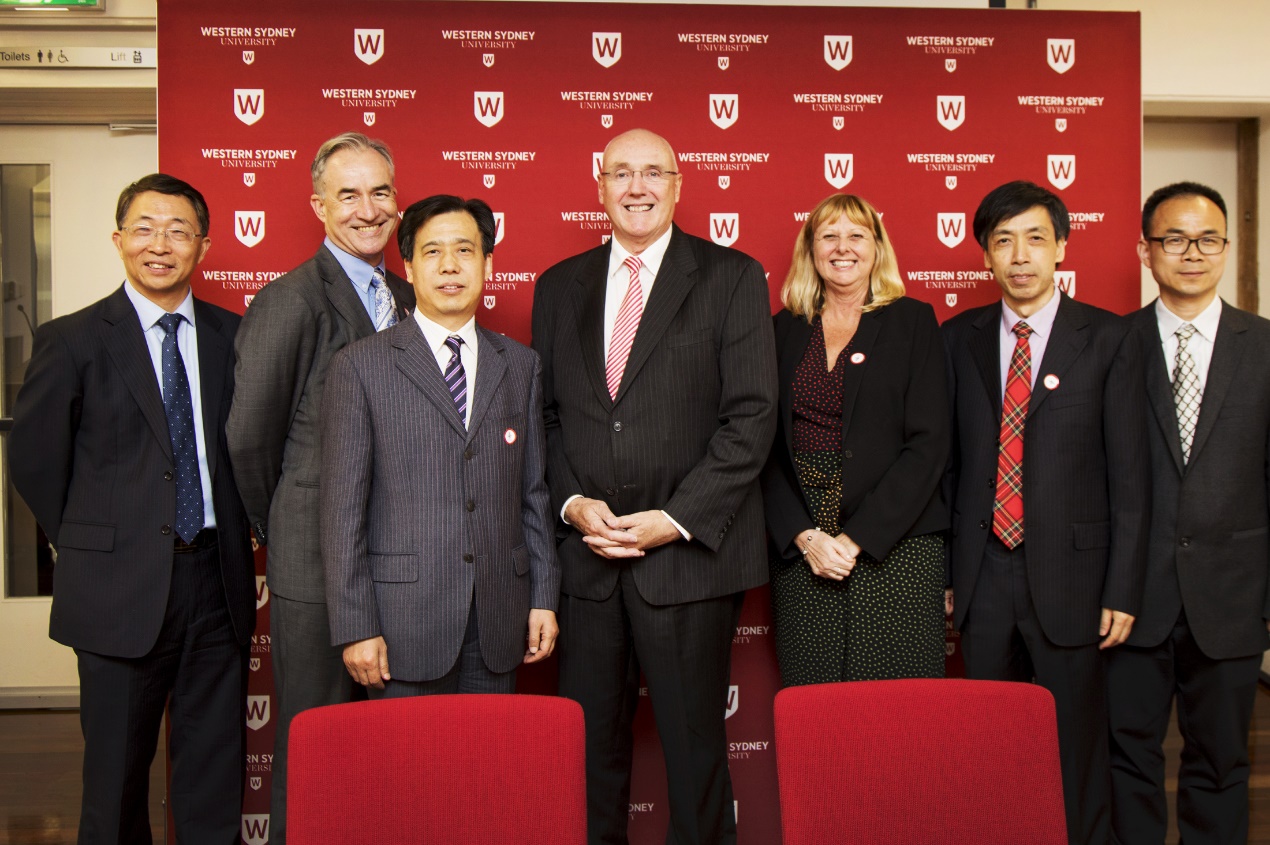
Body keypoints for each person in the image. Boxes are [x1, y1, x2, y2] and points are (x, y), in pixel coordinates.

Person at [531, 128, 777, 845]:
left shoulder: (732, 276)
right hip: (588, 564)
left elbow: (751, 417)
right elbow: (545, 416)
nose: (636, 187)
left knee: (696, 760)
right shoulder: (558, 285)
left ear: (678, 185)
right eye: (621, 173)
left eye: (652, 173)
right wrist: (574, 505)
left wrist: (673, 519)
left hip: (688, 563)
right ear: (599, 186)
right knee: (587, 761)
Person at [9, 173, 255, 843]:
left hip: (217, 581)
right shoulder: (73, 339)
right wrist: (92, 543)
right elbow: (35, 462)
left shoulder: (233, 336)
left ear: (203, 246)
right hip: (115, 587)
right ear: (118, 240)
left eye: (178, 231)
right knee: (115, 782)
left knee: (214, 776)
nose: (160, 245)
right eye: (145, 229)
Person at [942, 180, 1149, 845]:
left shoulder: (1110, 337)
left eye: (1035, 238)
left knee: (1076, 749)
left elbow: (1131, 475)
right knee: (988, 746)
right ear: (985, 255)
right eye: (1003, 241)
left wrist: (1122, 588)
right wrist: (948, 572)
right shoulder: (958, 339)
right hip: (983, 574)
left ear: (1061, 245)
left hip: (1076, 579)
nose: (1020, 255)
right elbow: (948, 467)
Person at [226, 131, 414, 844]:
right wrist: (286, 525)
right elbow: (250, 439)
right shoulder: (290, 302)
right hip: (314, 570)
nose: (368, 209)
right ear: (318, 206)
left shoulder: (409, 296)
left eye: (381, 192)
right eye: (349, 194)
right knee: (314, 752)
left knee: (390, 758)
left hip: (402, 566)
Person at [321, 194, 559, 696]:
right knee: (407, 751)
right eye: (432, 252)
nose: (450, 266)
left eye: (464, 250)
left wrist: (543, 595)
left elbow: (533, 494)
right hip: (401, 622)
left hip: (499, 617)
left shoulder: (520, 365)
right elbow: (343, 511)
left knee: (488, 748)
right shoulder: (360, 366)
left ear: (487, 264)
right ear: (408, 267)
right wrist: (356, 625)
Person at [1108, 182, 1270, 845]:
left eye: (1208, 239)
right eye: (1174, 239)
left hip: (1233, 596)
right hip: (1128, 600)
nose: (1193, 253)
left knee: (1222, 763)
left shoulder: (1264, 346)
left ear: (1226, 248)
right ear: (1144, 250)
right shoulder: (1110, 344)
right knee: (1126, 762)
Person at [761, 193, 950, 686]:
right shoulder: (781, 330)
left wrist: (857, 538)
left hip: (896, 542)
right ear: (811, 249)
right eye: (829, 236)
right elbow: (763, 447)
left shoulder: (913, 321)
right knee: (814, 701)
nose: (842, 247)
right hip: (804, 545)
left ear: (877, 247)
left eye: (856, 235)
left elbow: (929, 443)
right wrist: (804, 537)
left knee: (895, 708)